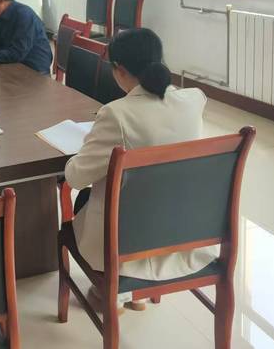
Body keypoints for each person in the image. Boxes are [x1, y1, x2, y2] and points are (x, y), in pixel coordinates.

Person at [62, 28, 212, 312]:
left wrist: (79, 155)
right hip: (183, 227)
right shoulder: (194, 100)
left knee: (88, 198)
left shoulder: (116, 113)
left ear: (119, 70)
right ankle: (135, 294)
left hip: (128, 239)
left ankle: (114, 291)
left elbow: (77, 177)